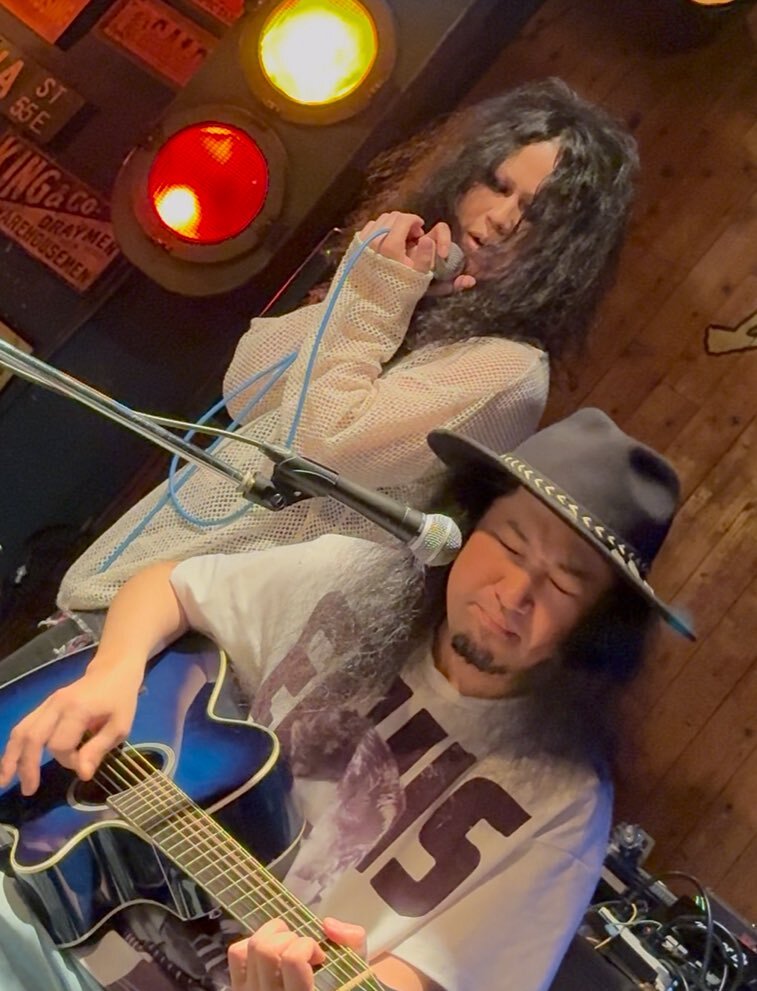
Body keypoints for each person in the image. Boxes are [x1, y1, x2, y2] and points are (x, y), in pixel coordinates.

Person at [0, 408, 695, 991]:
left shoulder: (563, 804)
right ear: (466, 524)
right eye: (510, 544)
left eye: (564, 583)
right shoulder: (360, 579)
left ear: (595, 625)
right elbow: (172, 587)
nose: (514, 593)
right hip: (48, 902)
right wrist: (112, 674)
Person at [46, 77, 638, 637]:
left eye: (535, 214)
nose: (501, 219)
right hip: (122, 589)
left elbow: (324, 443)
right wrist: (382, 297)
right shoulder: (406, 297)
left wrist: (378, 295)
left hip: (208, 633)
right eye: (499, 185)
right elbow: (249, 385)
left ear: (564, 253)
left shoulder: (507, 370)